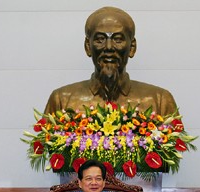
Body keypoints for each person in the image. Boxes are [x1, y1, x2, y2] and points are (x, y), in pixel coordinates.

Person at [44, 6, 177, 115]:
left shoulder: (160, 101)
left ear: (132, 47)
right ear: (88, 46)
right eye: (100, 39)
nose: (108, 47)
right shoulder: (62, 100)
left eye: (118, 39)